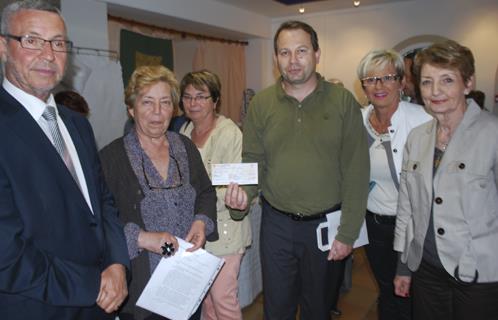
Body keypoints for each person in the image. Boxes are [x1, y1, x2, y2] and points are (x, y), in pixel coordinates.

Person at [226, 20, 370, 320]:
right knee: (276, 308)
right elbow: (253, 161)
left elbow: (357, 171)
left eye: (301, 51)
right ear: (276, 58)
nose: (292, 61)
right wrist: (242, 197)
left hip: (324, 227)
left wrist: (348, 233)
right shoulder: (261, 103)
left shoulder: (343, 101)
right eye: (284, 52)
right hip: (276, 226)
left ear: (317, 54)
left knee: (318, 309)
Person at [0, 1, 130, 319]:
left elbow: (103, 202)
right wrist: (92, 285)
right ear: (3, 47)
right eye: (32, 40)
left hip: (101, 300)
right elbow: (6, 254)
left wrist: (117, 262)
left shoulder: (77, 123)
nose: (48, 55)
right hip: (39, 306)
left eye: (58, 43)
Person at [99, 65, 218, 320]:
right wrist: (141, 238)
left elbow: (206, 192)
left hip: (186, 279)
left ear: (173, 109)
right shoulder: (111, 158)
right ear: (131, 109)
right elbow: (98, 220)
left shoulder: (185, 146)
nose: (157, 112)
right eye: (147, 102)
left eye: (165, 102)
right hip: (141, 287)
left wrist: (200, 221)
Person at [393, 40, 498, 319]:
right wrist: (404, 266)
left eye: (447, 80)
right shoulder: (417, 137)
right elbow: (407, 207)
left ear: (468, 83)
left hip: (480, 275)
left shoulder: (492, 134)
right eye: (427, 82)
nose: (435, 91)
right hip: (426, 270)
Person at [357, 49, 432, 320]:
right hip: (374, 224)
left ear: (402, 82)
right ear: (363, 85)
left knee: (412, 291)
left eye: (387, 77)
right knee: (387, 288)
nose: (379, 86)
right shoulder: (358, 121)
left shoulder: (423, 120)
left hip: (413, 226)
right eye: (371, 79)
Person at [179, 70, 251, 320]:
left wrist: (194, 200)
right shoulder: (184, 131)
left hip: (226, 233)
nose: (193, 103)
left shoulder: (230, 134)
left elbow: (235, 189)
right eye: (187, 97)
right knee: (206, 301)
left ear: (215, 100)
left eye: (201, 96)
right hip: (196, 231)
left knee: (223, 300)